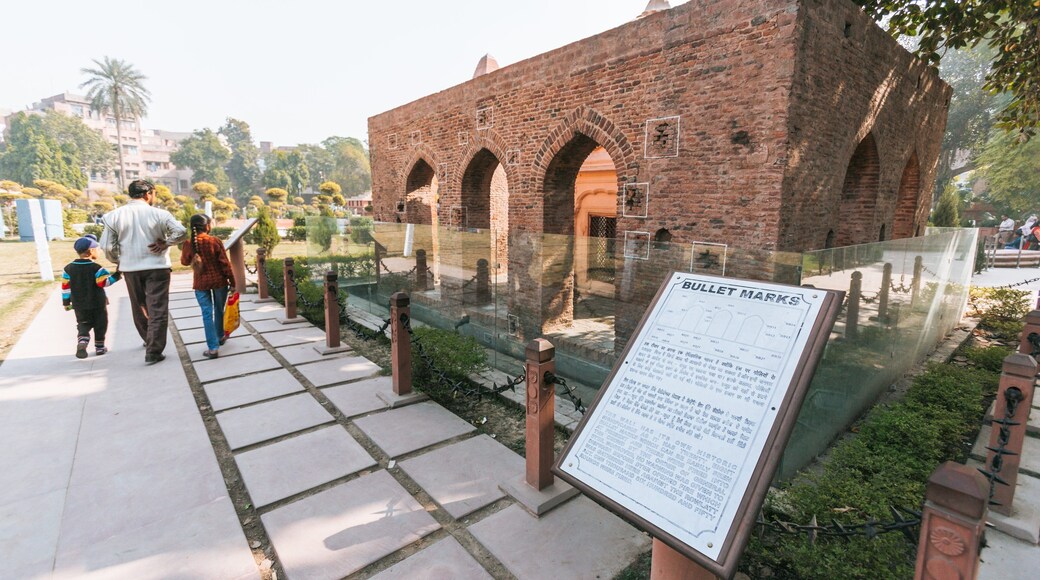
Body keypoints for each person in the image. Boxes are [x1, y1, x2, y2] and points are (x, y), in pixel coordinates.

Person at [99, 180, 187, 364]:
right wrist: (166, 243)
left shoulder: (114, 216)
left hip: (130, 269)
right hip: (157, 267)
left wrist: (118, 260)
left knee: (139, 307)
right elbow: (180, 232)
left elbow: (107, 246)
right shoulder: (160, 214)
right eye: (154, 194)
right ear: (148, 194)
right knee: (157, 308)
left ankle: (149, 340)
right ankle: (154, 350)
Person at [180, 214, 235, 359]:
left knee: (207, 314)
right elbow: (225, 264)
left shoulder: (188, 243)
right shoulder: (214, 241)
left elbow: (184, 262)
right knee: (219, 309)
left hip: (200, 284)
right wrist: (233, 282)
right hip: (219, 282)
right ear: (207, 226)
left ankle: (213, 348)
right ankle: (220, 336)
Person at [62, 234, 121, 358]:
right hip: (97, 303)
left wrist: (66, 302)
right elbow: (103, 283)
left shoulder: (68, 269)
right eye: (98, 249)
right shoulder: (97, 268)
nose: (99, 251)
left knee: (83, 323)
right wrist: (117, 275)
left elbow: (65, 287)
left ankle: (82, 342)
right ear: (91, 251)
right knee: (100, 324)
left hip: (79, 305)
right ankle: (99, 347)